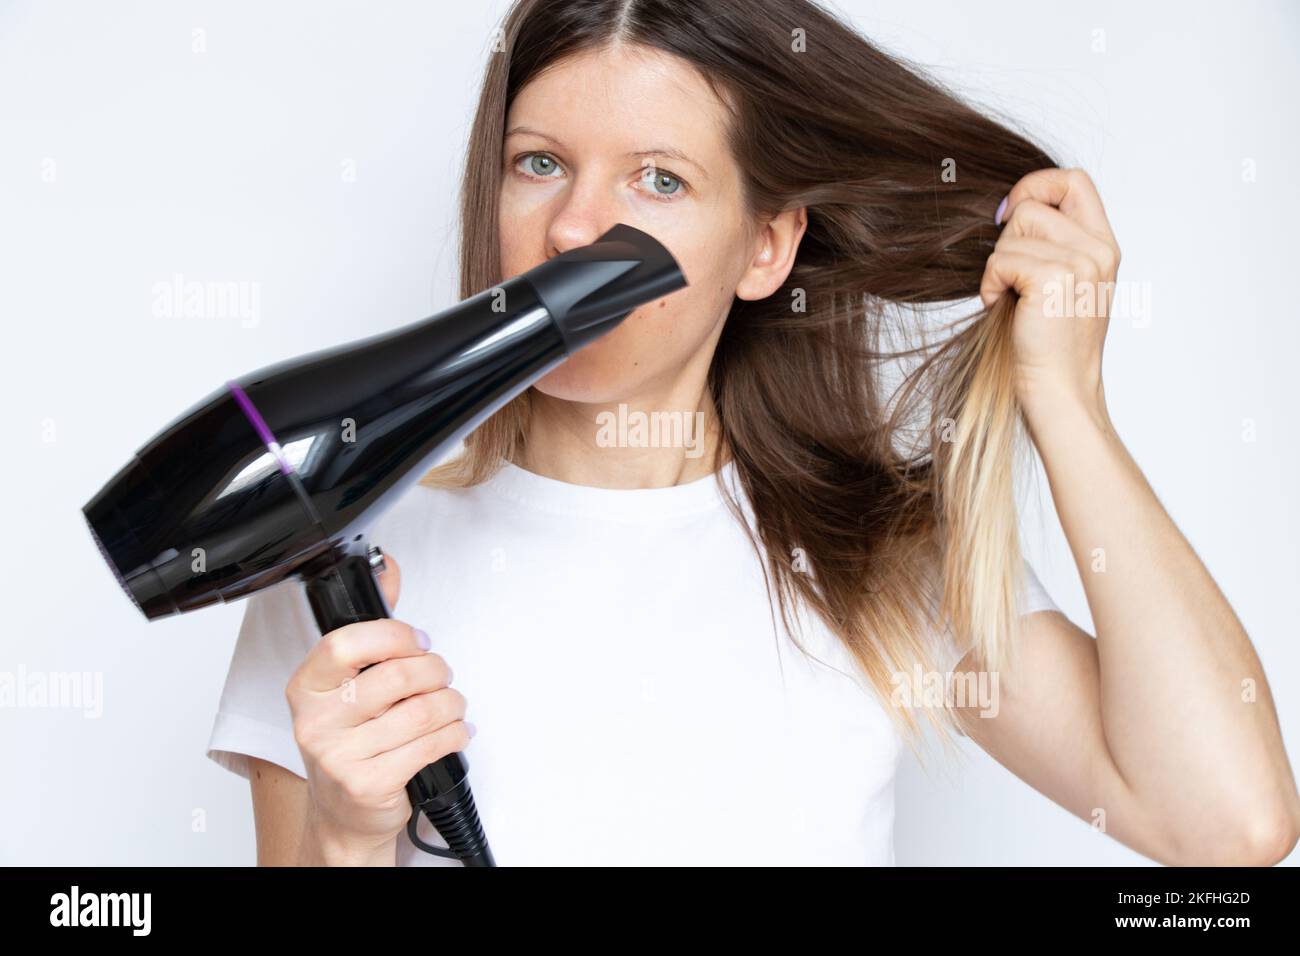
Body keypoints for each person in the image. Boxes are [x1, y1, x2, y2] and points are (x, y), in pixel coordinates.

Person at [207, 0, 1300, 866]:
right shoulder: (341, 567)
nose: (578, 225)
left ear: (765, 248)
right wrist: (347, 836)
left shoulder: (877, 560)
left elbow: (1225, 825)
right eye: (538, 161)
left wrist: (1067, 402)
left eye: (660, 177)